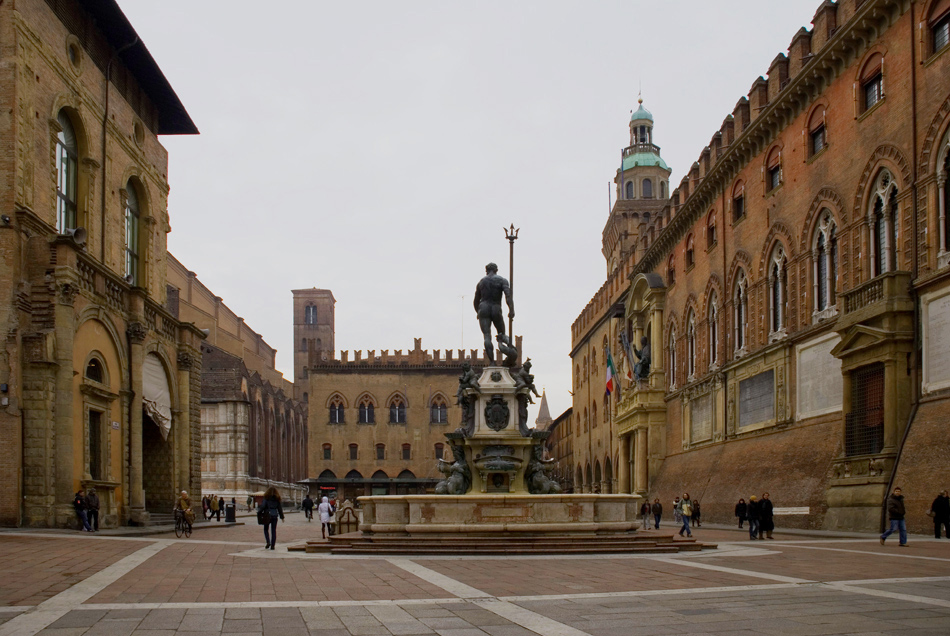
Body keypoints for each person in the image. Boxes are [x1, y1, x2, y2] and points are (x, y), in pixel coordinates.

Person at [474, 262, 516, 365]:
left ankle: (492, 362)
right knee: (502, 333)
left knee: (487, 336)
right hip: (496, 308)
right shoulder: (502, 280)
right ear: (496, 270)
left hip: (483, 308)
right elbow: (508, 296)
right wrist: (511, 309)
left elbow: (475, 301)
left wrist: (478, 312)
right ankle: (506, 347)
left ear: (486, 270)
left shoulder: (481, 282)